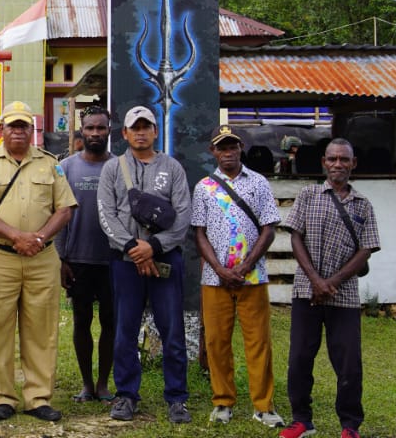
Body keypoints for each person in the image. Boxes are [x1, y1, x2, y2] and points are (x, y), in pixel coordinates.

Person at [0, 101, 75, 423]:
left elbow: (64, 209)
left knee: (41, 330)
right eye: (12, 125)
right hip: (0, 258)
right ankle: (2, 397)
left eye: (23, 125)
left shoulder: (50, 165)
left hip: (42, 258)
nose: (17, 131)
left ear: (32, 130)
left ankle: (38, 397)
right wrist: (17, 236)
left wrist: (38, 238)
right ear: (2, 130)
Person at [97, 105, 192, 424]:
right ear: (123, 134)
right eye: (134, 127)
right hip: (125, 261)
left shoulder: (173, 168)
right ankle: (126, 395)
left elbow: (182, 217)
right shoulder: (113, 169)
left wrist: (152, 247)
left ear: (155, 131)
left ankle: (177, 398)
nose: (140, 132)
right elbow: (106, 215)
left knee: (172, 330)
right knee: (125, 329)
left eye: (146, 126)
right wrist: (131, 247)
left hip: (165, 259)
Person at [279, 138, 380, 438]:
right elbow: (295, 236)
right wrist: (315, 280)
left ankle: (349, 425)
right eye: (332, 159)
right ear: (324, 162)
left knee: (348, 362)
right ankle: (301, 420)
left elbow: (366, 249)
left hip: (344, 295)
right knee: (299, 357)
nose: (338, 164)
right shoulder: (308, 195)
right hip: (306, 292)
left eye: (344, 160)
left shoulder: (363, 204)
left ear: (353, 164)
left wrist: (332, 283)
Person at [192, 125, 285, 428]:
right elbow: (199, 233)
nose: (228, 152)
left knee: (258, 341)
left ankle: (264, 405)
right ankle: (222, 402)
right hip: (215, 278)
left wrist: (244, 267)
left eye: (233, 146)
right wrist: (220, 269)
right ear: (213, 152)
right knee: (217, 342)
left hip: (252, 277)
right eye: (222, 147)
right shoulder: (204, 187)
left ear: (241, 148)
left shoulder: (258, 183)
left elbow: (269, 229)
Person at [56, 107, 115, 404]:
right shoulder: (65, 167)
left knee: (110, 323)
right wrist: (61, 259)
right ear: (81, 130)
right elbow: (59, 215)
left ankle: (104, 383)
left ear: (109, 130)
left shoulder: (120, 166)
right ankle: (86, 384)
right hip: (77, 260)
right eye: (89, 128)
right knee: (81, 321)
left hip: (113, 260)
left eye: (100, 128)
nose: (95, 133)